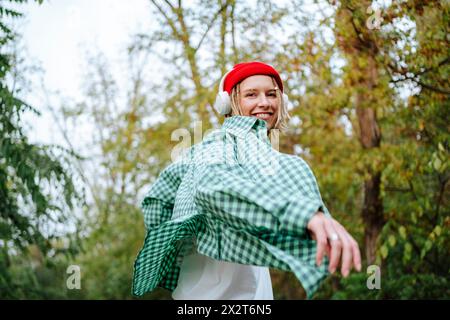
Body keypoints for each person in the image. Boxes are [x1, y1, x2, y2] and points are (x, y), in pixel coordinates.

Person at [132, 61, 361, 300]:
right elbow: (211, 186)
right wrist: (303, 213)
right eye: (251, 94)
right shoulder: (218, 145)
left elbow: (157, 206)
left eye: (271, 94)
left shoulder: (266, 160)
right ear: (229, 103)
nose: (264, 102)